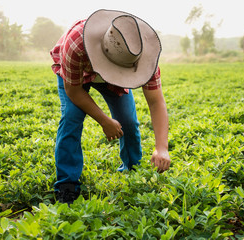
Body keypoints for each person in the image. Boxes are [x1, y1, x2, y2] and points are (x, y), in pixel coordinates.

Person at [50, 9, 171, 204]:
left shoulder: (144, 58)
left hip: (113, 80)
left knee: (128, 122)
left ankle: (132, 171)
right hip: (77, 75)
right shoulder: (76, 43)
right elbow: (74, 92)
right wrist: (105, 121)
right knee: (71, 117)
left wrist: (162, 147)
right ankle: (67, 185)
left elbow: (156, 102)